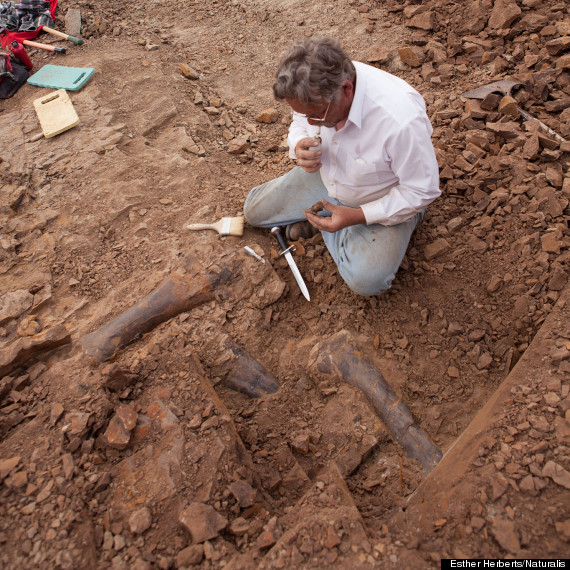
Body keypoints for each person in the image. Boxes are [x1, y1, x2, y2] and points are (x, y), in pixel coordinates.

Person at [243, 37, 440, 296]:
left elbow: (421, 191)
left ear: (346, 89)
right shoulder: (314, 90)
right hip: (327, 176)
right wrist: (298, 143)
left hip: (379, 195)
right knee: (253, 212)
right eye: (306, 114)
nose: (312, 121)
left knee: (367, 280)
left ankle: (343, 224)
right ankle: (331, 222)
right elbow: (300, 121)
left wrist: (358, 216)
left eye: (318, 115)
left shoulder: (400, 121)